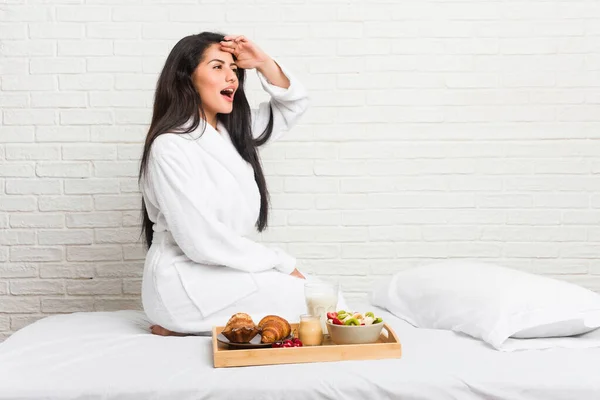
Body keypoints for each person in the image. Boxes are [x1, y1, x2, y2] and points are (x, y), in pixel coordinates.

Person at [138, 32, 327, 336]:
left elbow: (294, 105)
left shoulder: (232, 134)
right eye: (217, 67)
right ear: (186, 78)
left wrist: (263, 62)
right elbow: (201, 241)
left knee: (323, 297)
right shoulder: (170, 147)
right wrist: (280, 262)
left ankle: (189, 326)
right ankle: (180, 320)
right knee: (317, 305)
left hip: (222, 270)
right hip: (183, 278)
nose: (232, 78)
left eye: (235, 69)